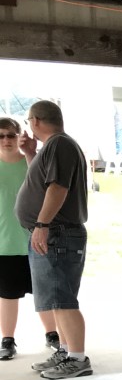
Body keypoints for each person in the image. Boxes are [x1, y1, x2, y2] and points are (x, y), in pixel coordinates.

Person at [15, 100, 92, 380]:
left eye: (28, 121)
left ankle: (77, 358)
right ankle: (66, 349)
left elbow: (57, 188)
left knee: (62, 298)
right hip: (52, 232)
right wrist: (29, 153)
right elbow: (41, 181)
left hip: (58, 232)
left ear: (35, 121)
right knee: (54, 299)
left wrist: (42, 224)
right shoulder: (52, 147)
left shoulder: (60, 144)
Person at [0, 115, 55, 361]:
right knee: (7, 294)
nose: (5, 140)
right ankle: (8, 340)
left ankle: (53, 335)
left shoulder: (31, 163)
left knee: (44, 292)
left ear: (19, 136)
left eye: (10, 135)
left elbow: (47, 190)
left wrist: (30, 152)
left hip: (35, 240)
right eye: (0, 136)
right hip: (5, 242)